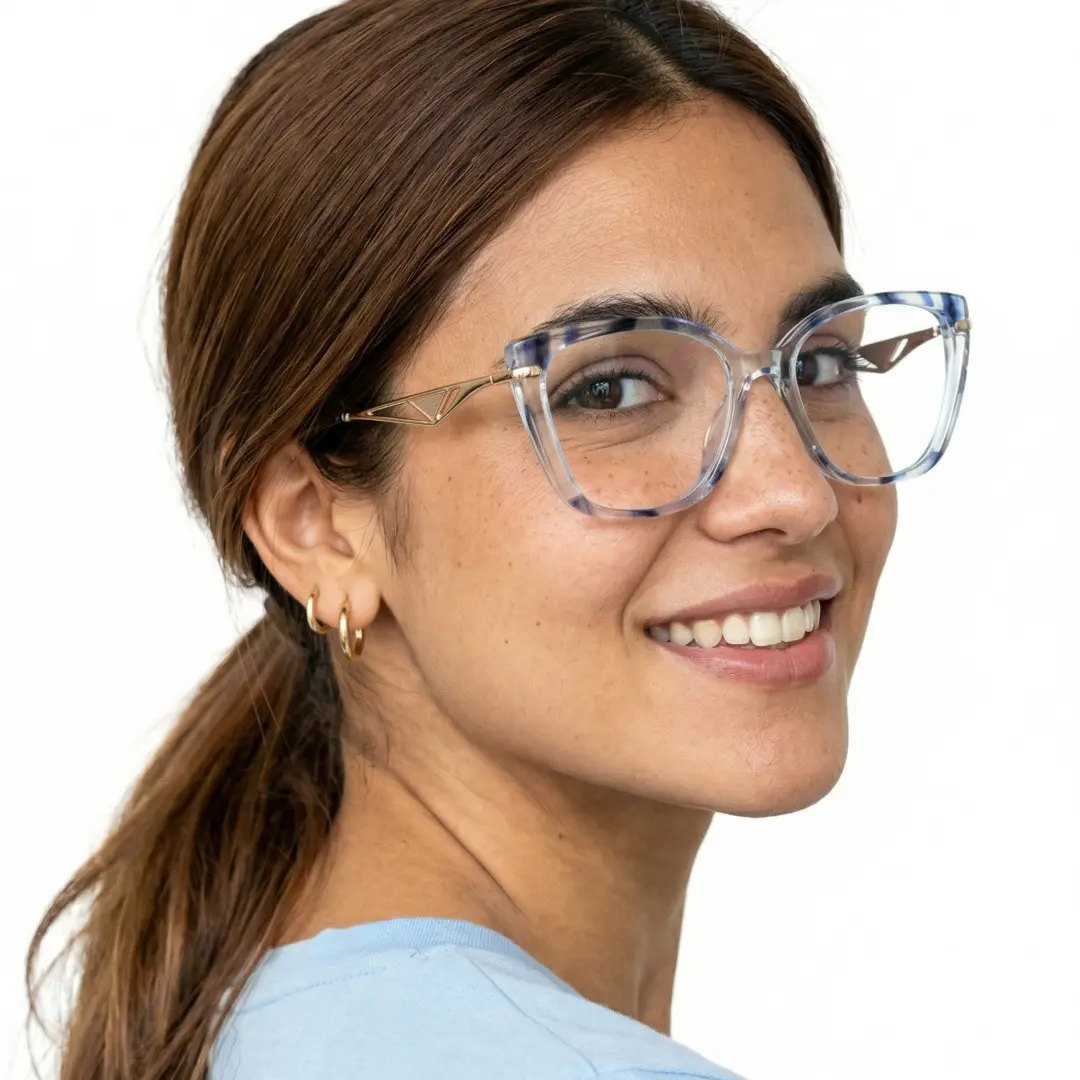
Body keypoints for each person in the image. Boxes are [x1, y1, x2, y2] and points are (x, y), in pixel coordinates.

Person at [26, 1, 970, 1078]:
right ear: (316, 522)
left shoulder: (261, 1023)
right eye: (611, 386)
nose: (794, 489)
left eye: (821, 364)